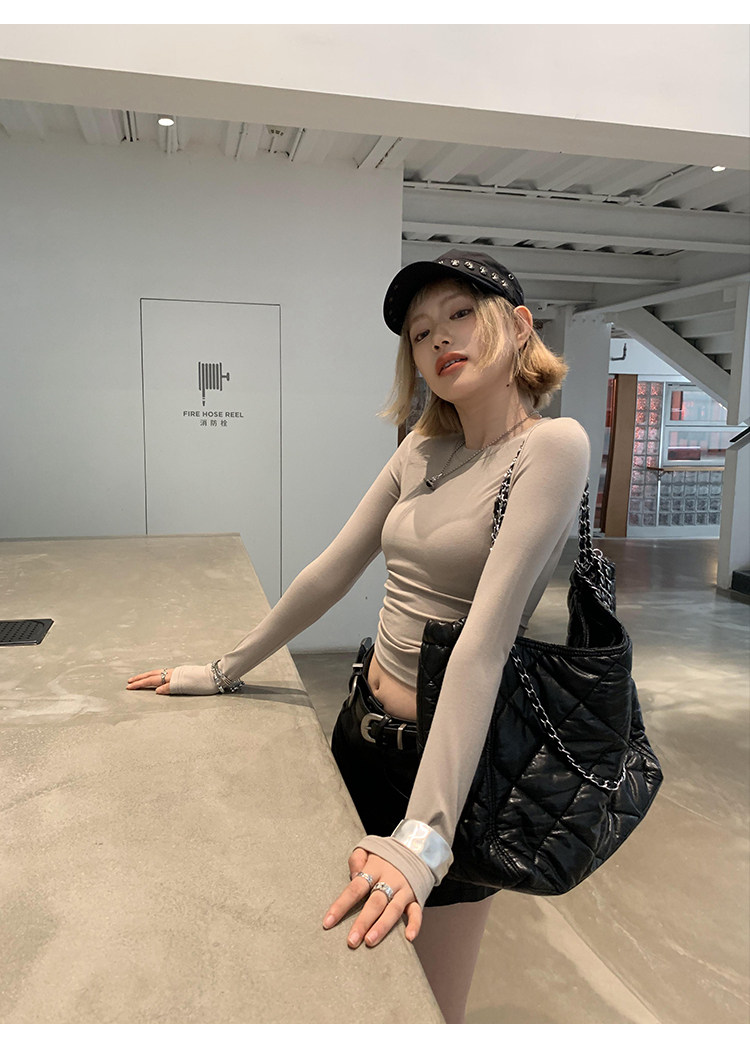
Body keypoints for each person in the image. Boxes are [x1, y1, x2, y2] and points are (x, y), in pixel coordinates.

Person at [127, 250, 590, 1023]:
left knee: (421, 1009)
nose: (439, 339)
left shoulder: (551, 446)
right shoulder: (421, 449)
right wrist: (223, 667)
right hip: (360, 733)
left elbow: (483, 644)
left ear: (517, 326)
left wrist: (427, 838)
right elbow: (330, 571)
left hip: (450, 772)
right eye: (419, 333)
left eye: (459, 314)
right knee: (340, 980)